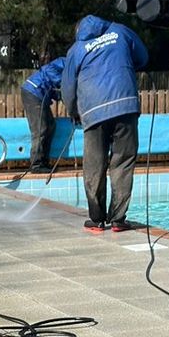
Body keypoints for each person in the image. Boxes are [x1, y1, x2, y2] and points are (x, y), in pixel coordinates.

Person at [61, 13, 149, 233]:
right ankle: (118, 220)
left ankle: (97, 220)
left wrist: (73, 111)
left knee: (95, 165)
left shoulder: (76, 50)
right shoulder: (121, 31)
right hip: (125, 105)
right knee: (123, 162)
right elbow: (143, 57)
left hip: (93, 111)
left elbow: (68, 87)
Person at [20, 49, 65, 173]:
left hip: (40, 95)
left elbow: (61, 93)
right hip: (33, 92)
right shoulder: (64, 62)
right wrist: (62, 83)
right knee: (41, 129)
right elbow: (47, 69)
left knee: (51, 125)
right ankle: (36, 165)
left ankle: (44, 161)